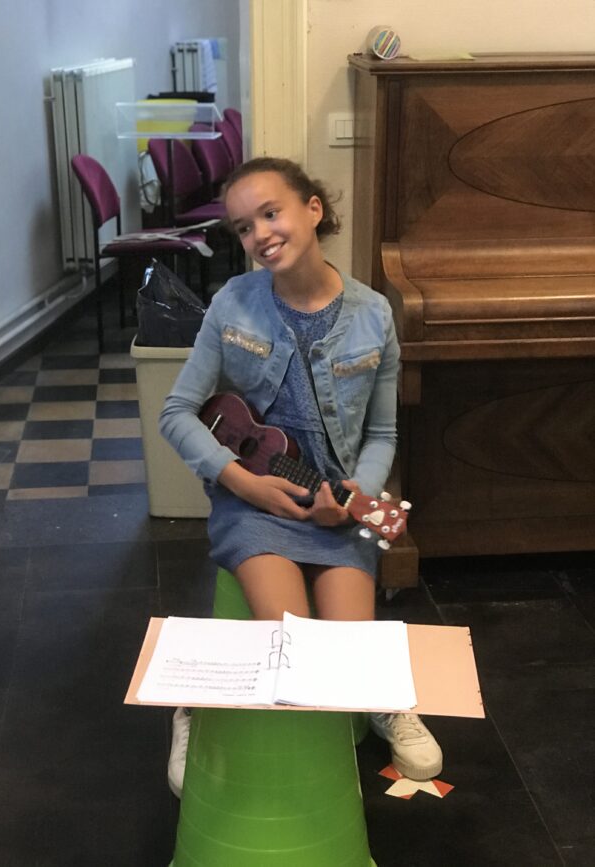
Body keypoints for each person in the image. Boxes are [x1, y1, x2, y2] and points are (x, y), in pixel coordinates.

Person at [159, 156, 442, 797]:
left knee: (342, 660)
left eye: (270, 213)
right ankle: (196, 707)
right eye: (243, 227)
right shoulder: (232, 303)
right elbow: (176, 413)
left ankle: (382, 701)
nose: (259, 234)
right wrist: (240, 482)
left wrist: (357, 494)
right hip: (254, 504)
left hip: (335, 505)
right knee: (290, 647)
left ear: (313, 209)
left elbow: (383, 435)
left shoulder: (374, 315)